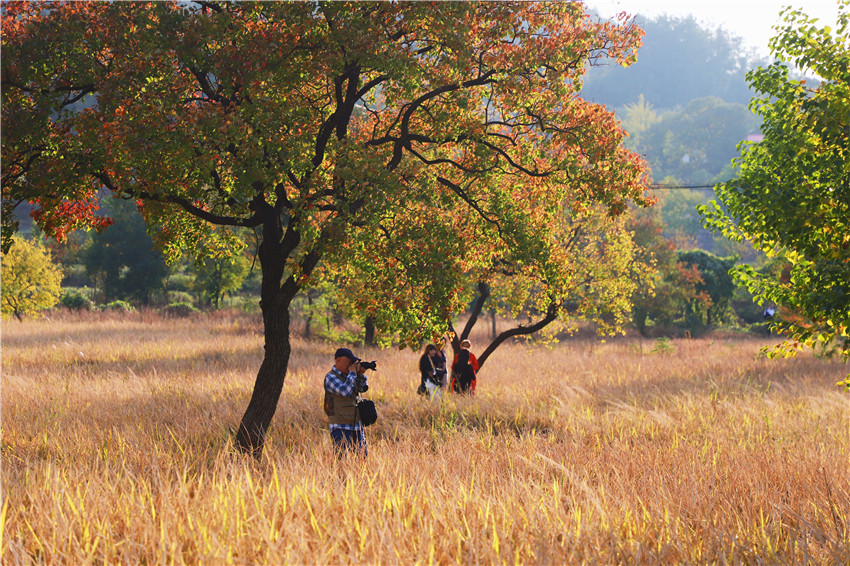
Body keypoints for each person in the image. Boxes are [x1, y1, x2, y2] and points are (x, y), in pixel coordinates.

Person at [324, 347, 369, 456]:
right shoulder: (330, 377)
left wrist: (360, 375)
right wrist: (353, 373)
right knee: (342, 461)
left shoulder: (350, 376)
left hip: (356, 425)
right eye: (349, 361)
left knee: (362, 460)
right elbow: (345, 391)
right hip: (340, 426)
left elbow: (363, 388)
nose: (351, 364)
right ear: (338, 360)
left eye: (352, 362)